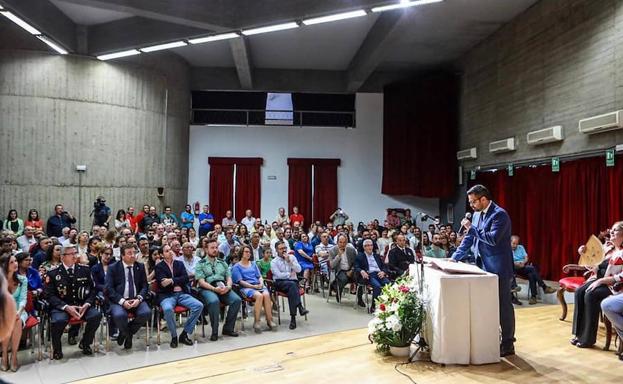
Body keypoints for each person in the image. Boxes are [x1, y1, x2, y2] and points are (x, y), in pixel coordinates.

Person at [451, 184, 515, 357]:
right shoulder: (478, 215)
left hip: (499, 268)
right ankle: (491, 337)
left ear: (483, 199)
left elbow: (492, 239)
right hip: (482, 266)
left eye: (473, 202)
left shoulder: (499, 215)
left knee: (503, 306)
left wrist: (471, 227)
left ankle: (508, 343)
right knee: (486, 305)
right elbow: (469, 239)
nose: (471, 206)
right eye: (470, 202)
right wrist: (454, 257)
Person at [571, 221, 623, 349]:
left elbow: (620, 277)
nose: (611, 232)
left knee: (590, 295)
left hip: (615, 286)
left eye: (615, 230)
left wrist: (601, 281)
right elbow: (592, 260)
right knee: (579, 292)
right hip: (599, 279)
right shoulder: (608, 247)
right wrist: (582, 252)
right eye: (611, 229)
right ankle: (579, 334)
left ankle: (588, 338)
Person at [45, 245, 102, 359]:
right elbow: (49, 295)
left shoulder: (84, 270)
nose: (75, 256)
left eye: (75, 253)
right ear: (62, 257)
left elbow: (93, 289)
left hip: (82, 305)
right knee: (58, 321)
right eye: (71, 254)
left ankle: (85, 343)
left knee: (96, 315)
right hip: (62, 307)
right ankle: (57, 349)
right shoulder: (53, 273)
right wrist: (66, 307)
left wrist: (87, 303)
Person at [155, 244, 203, 348]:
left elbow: (185, 278)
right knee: (167, 309)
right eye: (167, 251)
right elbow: (163, 283)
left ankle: (185, 333)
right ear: (162, 254)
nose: (170, 252)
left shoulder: (179, 263)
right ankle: (174, 336)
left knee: (198, 305)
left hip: (181, 293)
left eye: (170, 250)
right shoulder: (159, 267)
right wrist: (177, 280)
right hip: (167, 295)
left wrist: (172, 280)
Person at [105, 244, 150, 350]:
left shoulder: (140, 266)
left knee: (146, 313)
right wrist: (122, 301)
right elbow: (109, 289)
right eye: (129, 253)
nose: (133, 255)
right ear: (122, 256)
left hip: (135, 298)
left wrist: (139, 299)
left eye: (134, 252)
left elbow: (144, 286)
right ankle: (128, 336)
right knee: (119, 315)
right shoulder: (113, 268)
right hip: (119, 300)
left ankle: (125, 334)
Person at [195, 239, 241, 341]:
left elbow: (229, 277)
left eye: (216, 247)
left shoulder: (222, 262)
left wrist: (228, 287)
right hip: (207, 288)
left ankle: (228, 328)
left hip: (222, 287)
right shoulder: (200, 263)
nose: (215, 250)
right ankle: (214, 331)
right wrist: (214, 289)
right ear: (206, 249)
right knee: (214, 301)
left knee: (236, 300)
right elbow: (201, 281)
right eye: (212, 248)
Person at [232, 245, 276, 333]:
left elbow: (259, 276)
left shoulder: (253, 264)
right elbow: (240, 282)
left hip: (258, 285)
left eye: (249, 252)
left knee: (266, 295)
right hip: (246, 287)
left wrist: (261, 283)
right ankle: (257, 322)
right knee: (259, 296)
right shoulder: (236, 267)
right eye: (246, 252)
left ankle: (269, 320)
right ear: (241, 253)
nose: (248, 253)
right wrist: (253, 287)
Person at [271, 241, 309, 329]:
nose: (284, 250)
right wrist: (289, 274)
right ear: (277, 250)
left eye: (285, 248)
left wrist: (289, 262)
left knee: (292, 288)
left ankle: (293, 319)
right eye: (281, 249)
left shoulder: (292, 257)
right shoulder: (274, 262)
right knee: (293, 285)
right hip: (280, 283)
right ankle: (299, 307)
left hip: (292, 283)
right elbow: (278, 275)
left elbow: (299, 270)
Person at [0, 253, 27, 371]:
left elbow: (23, 299)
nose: (15, 264)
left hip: (19, 311)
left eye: (16, 261)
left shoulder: (23, 279)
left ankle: (14, 356)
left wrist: (19, 311)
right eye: (11, 262)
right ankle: (4, 355)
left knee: (16, 320)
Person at [511, 235, 556, 304]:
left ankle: (533, 297)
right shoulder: (507, 250)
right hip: (514, 269)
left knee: (531, 274)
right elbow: (508, 261)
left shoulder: (521, 247)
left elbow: (526, 257)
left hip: (523, 266)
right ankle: (544, 287)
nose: (515, 245)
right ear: (510, 242)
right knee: (532, 269)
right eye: (514, 243)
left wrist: (523, 262)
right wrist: (516, 264)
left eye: (516, 244)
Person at [355, 239, 390, 311]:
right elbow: (356, 267)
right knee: (377, 286)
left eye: (371, 245)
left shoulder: (377, 256)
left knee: (388, 284)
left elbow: (384, 266)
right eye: (367, 246)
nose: (369, 247)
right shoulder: (360, 256)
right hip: (369, 275)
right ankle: (373, 306)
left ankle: (385, 305)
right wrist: (362, 271)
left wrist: (383, 272)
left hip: (379, 274)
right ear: (364, 247)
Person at [329, 234, 357, 302]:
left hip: (350, 269)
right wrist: (338, 255)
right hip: (339, 270)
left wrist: (352, 270)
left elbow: (356, 263)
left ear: (347, 242)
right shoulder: (332, 250)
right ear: (337, 242)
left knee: (360, 278)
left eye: (344, 242)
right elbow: (332, 265)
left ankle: (359, 299)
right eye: (340, 242)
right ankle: (338, 292)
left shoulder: (351, 250)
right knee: (344, 279)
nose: (342, 244)